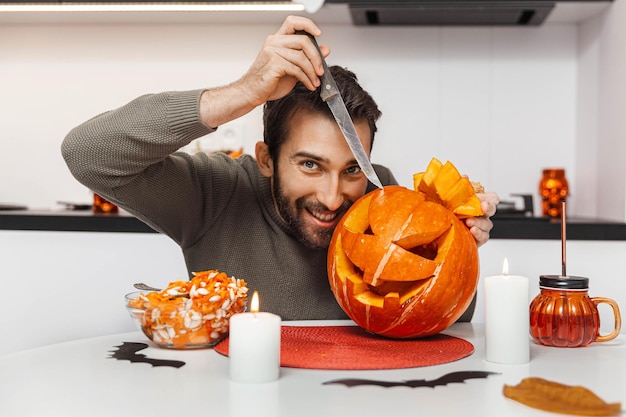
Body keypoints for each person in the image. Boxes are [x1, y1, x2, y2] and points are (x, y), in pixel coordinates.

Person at [62, 16, 499, 321]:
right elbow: (87, 153)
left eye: (351, 169)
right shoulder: (214, 193)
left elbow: (437, 316)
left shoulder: (379, 192)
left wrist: (454, 253)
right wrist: (243, 92)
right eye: (310, 164)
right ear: (266, 158)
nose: (332, 198)